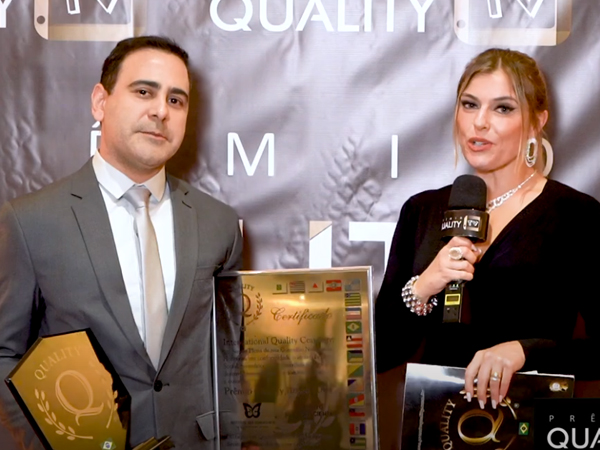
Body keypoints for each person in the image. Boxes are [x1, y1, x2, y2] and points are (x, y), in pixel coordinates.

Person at [0, 36, 242, 449]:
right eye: (144, 91)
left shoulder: (219, 223)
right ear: (100, 102)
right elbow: (5, 355)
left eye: (176, 100)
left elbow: (231, 356)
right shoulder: (29, 222)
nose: (160, 111)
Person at [375, 48, 600, 409]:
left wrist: (525, 351)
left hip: (528, 424)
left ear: (537, 121)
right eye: (469, 105)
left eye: (503, 108)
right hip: (434, 425)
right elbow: (381, 352)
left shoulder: (576, 215)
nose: (479, 122)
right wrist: (424, 286)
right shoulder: (422, 211)